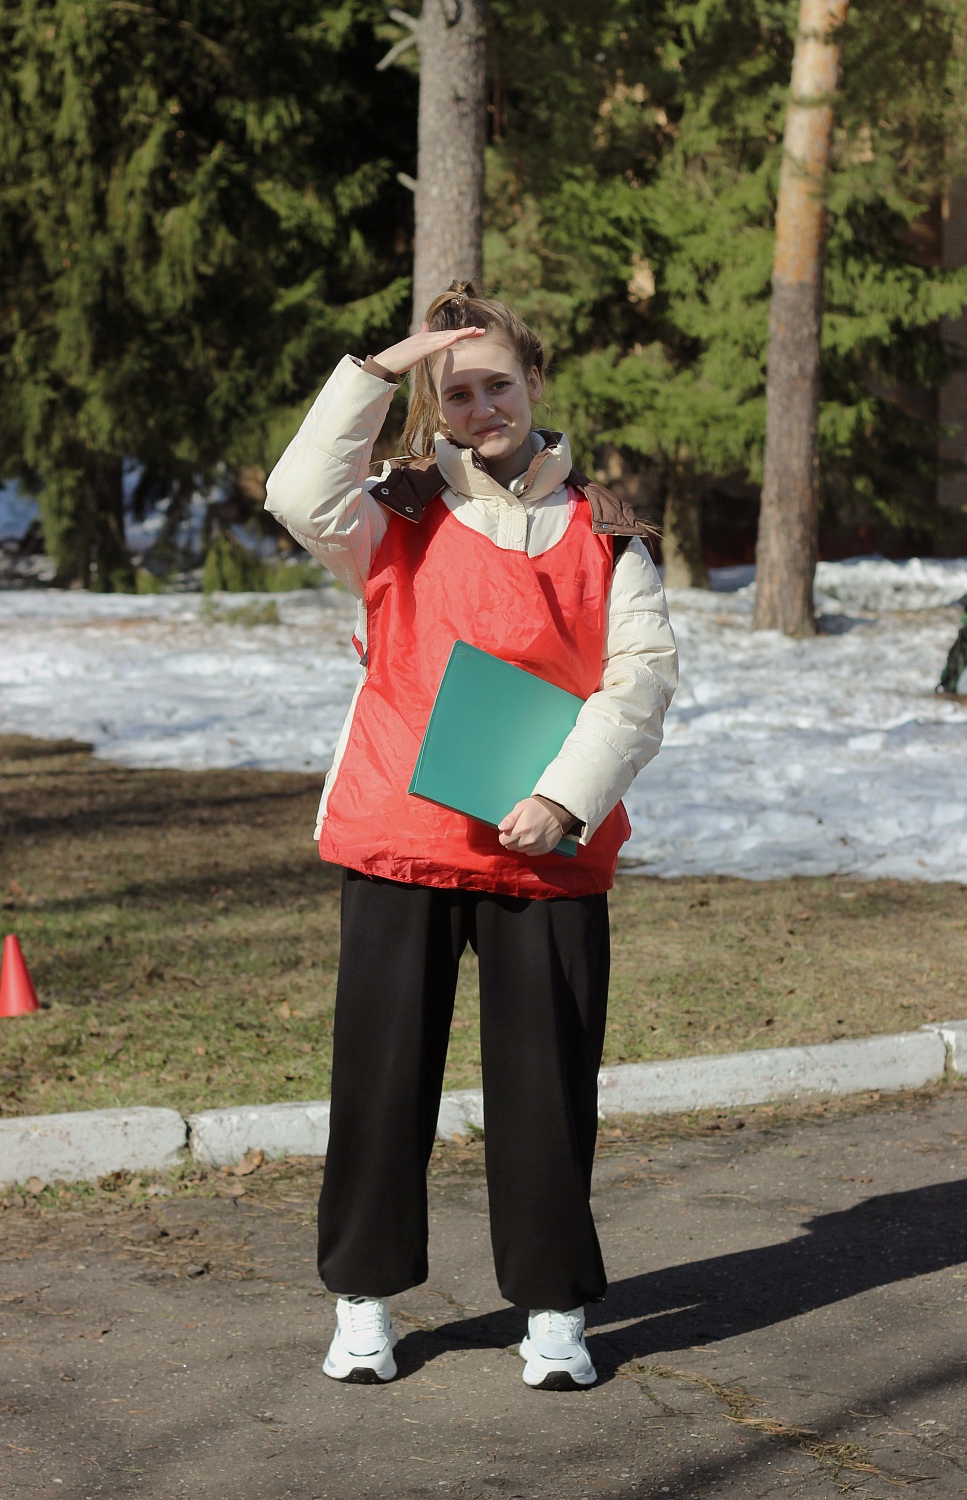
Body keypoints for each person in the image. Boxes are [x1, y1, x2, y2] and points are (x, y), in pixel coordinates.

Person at [264, 282, 678, 1390]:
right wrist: (380, 368)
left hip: (545, 847)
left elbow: (640, 681)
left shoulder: (608, 525)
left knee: (548, 1089)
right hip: (401, 840)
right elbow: (295, 489)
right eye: (456, 391)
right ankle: (362, 1301)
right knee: (380, 1083)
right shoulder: (391, 509)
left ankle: (551, 1310)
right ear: (431, 405)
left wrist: (563, 798)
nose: (480, 405)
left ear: (534, 383)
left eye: (496, 382)